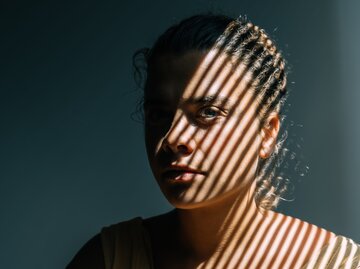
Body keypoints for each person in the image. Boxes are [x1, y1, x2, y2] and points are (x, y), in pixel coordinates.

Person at [66, 14, 360, 269]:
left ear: (267, 132)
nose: (173, 138)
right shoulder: (109, 258)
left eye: (208, 112)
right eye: (159, 115)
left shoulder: (335, 263)